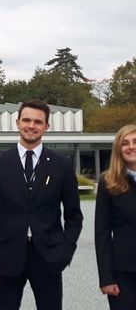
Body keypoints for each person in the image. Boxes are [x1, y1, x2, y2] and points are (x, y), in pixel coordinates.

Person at [0, 98, 83, 310]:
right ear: (17, 123)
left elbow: (74, 215)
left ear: (46, 126)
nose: (31, 126)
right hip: (6, 257)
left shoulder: (61, 165)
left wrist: (66, 251)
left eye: (37, 122)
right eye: (26, 120)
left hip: (48, 257)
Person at [95, 124, 136, 309]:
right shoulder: (108, 182)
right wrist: (106, 277)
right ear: (118, 149)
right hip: (123, 273)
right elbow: (102, 233)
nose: (131, 147)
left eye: (135, 142)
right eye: (125, 143)